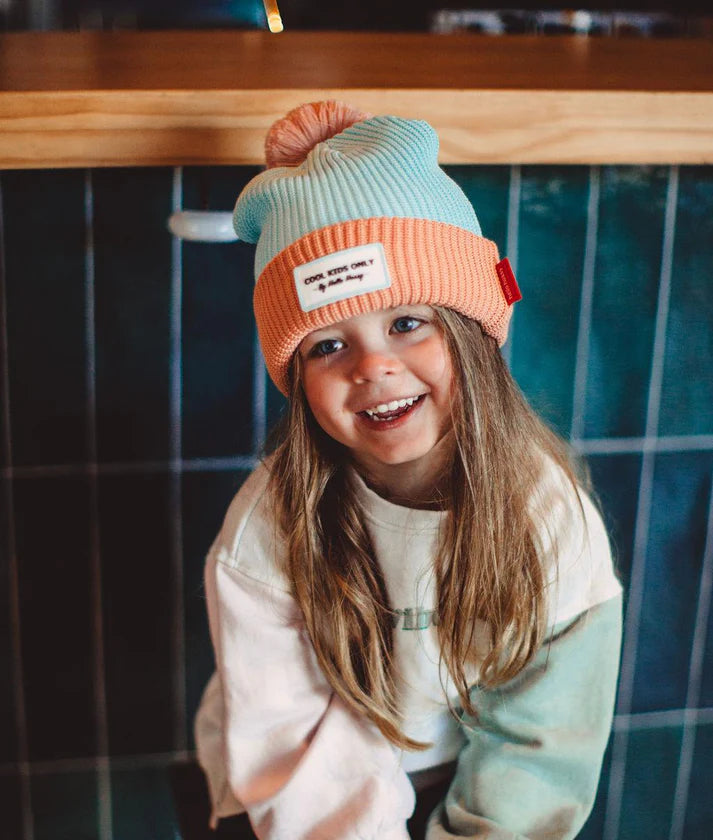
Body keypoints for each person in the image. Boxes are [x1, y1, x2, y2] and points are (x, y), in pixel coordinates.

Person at [194, 100, 623, 840]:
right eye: (327, 345)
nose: (373, 367)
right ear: (296, 380)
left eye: (405, 323)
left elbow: (541, 746)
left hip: (459, 771)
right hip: (281, 786)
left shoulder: (547, 515)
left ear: (472, 332)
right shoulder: (266, 528)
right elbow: (289, 745)